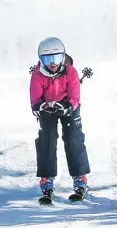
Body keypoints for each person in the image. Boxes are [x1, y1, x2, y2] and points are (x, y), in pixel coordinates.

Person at [29, 36, 90, 200]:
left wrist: (69, 106)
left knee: (73, 137)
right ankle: (47, 178)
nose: (52, 63)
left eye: (55, 58)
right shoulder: (37, 74)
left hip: (68, 106)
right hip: (47, 107)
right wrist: (39, 107)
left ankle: (80, 177)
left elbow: (75, 96)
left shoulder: (70, 71)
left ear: (63, 57)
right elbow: (35, 98)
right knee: (46, 139)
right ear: (41, 59)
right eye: (47, 59)